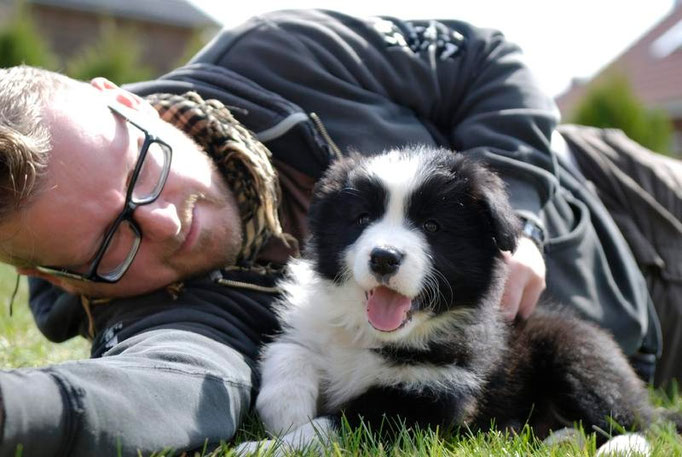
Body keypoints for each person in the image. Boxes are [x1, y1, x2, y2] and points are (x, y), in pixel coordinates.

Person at [0, 9, 676, 456]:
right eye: (113, 241)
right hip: (631, 360)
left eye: (141, 169)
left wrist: (521, 215)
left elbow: (489, 62)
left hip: (626, 196)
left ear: (124, 102)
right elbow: (152, 391)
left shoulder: (277, 48)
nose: (165, 219)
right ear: (56, 276)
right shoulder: (150, 312)